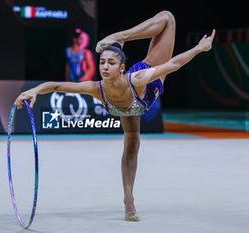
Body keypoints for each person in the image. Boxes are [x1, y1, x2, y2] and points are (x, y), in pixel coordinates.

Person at [15, 11, 216, 221]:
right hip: (127, 108)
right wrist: (34, 91)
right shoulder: (95, 88)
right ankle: (129, 201)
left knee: (168, 18)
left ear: (121, 68)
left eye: (111, 63)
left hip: (143, 92)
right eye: (102, 62)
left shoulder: (138, 78)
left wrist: (199, 48)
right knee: (132, 143)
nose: (104, 67)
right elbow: (57, 85)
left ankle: (120, 37)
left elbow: (173, 65)